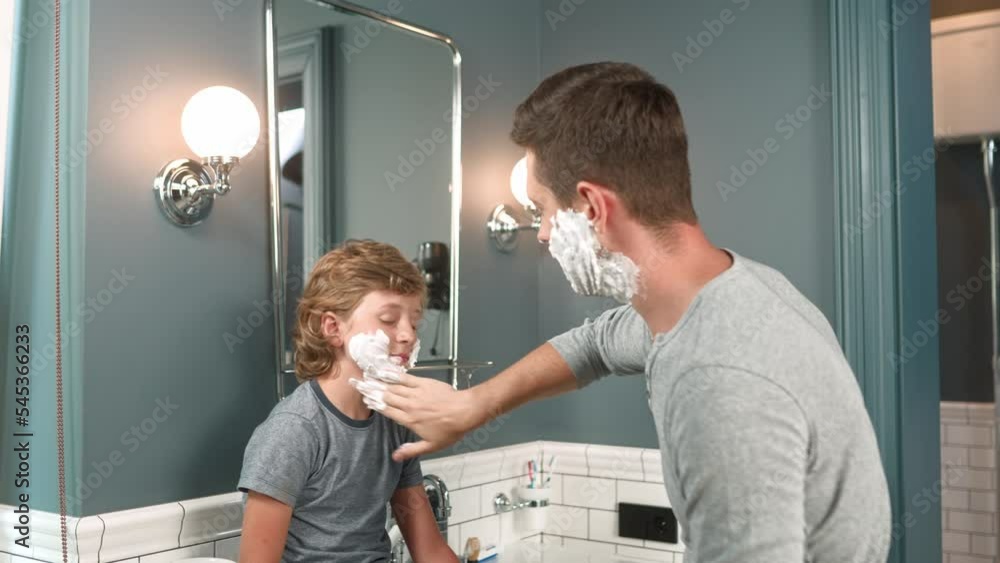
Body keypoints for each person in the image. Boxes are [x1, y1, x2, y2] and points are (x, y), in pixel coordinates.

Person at [360, 63, 892, 563]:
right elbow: (593, 347)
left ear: (593, 208)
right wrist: (476, 403)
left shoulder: (719, 380)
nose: (542, 234)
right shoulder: (729, 293)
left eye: (543, 210)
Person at [237, 240, 458, 563]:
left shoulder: (394, 423)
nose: (408, 334)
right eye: (388, 319)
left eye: (414, 321)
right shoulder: (294, 432)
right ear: (333, 328)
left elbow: (430, 551)